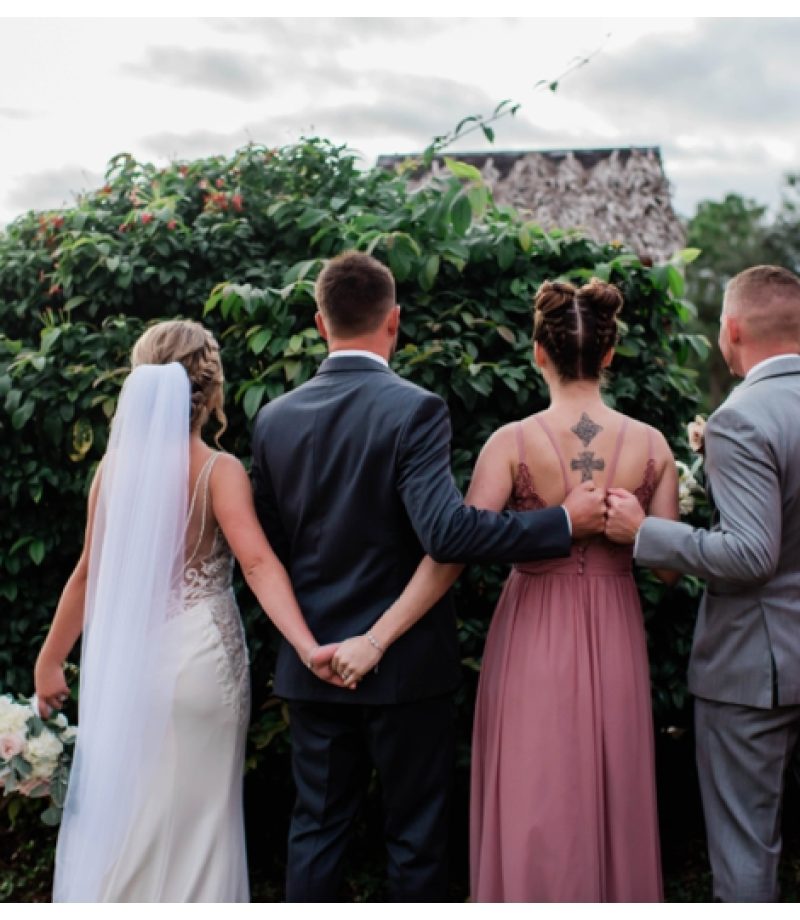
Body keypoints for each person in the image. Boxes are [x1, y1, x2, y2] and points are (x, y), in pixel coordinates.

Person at [250, 251, 606, 902]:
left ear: (319, 323)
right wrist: (561, 523)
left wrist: (307, 645)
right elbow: (448, 533)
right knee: (415, 839)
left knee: (316, 832)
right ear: (395, 321)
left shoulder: (273, 420)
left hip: (312, 660)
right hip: (407, 668)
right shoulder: (413, 409)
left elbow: (269, 550)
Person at [337, 277, 679, 901]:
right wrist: (636, 529)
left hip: (533, 631)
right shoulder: (652, 445)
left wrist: (379, 636)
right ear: (609, 354)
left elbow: (451, 554)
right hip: (615, 627)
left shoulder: (511, 443)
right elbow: (669, 569)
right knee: (613, 779)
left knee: (534, 789)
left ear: (538, 352)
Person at [34, 320, 341, 902]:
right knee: (202, 819)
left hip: (131, 669)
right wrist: (307, 644)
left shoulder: (112, 471)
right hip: (202, 665)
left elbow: (85, 574)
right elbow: (257, 565)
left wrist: (50, 662)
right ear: (212, 389)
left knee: (136, 819)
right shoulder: (217, 471)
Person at [605, 264, 800, 902]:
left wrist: (645, 531)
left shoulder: (741, 418)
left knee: (747, 846)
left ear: (734, 328)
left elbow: (750, 554)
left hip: (758, 665)